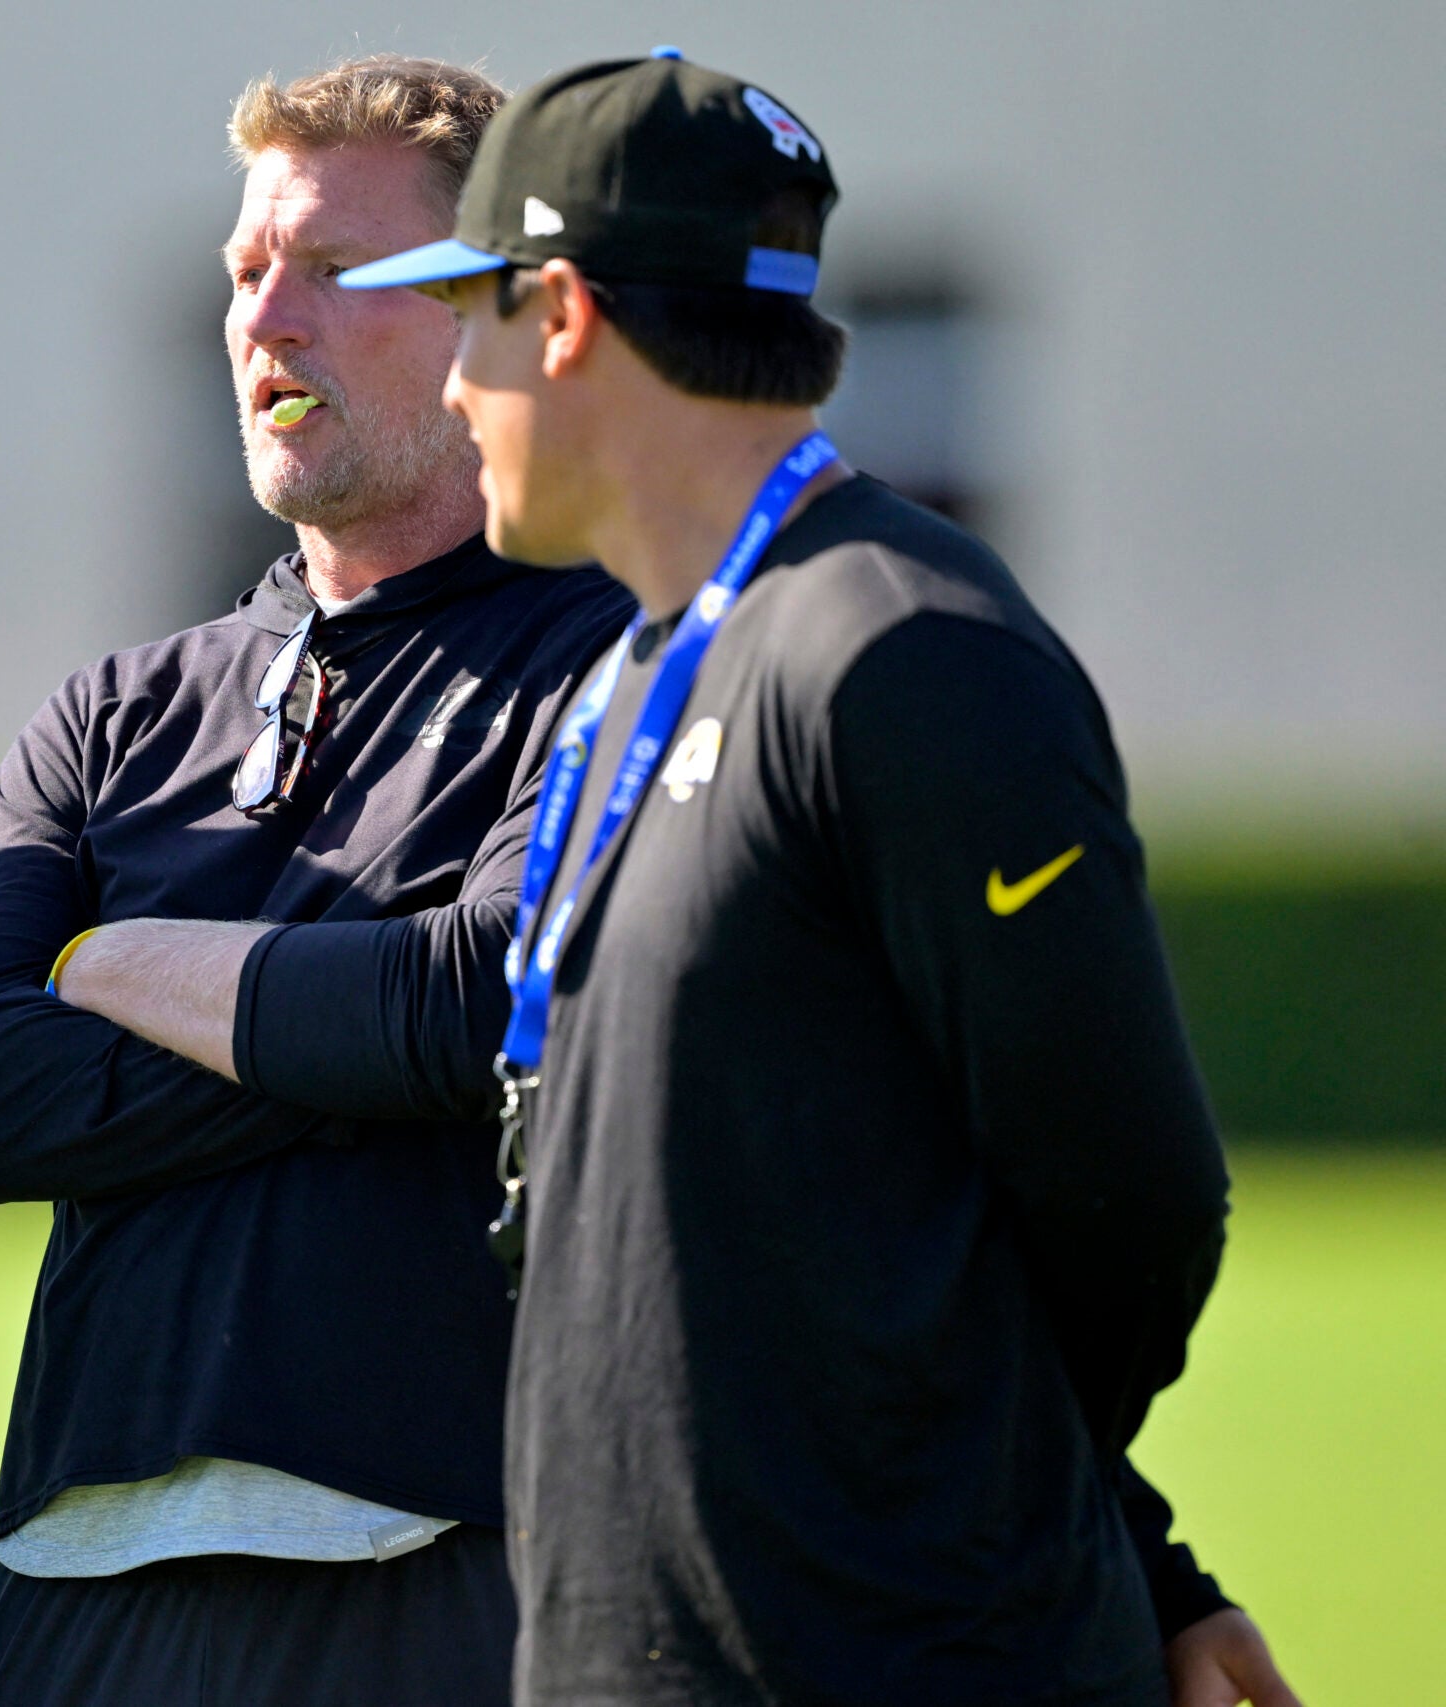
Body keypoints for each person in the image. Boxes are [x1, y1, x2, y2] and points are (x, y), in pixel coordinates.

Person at [341, 50, 1304, 1707]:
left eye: (471, 319)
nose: (453, 387)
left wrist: (1041, 1536)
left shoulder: (907, 651)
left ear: (559, 314)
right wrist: (1149, 1556)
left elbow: (1133, 1202)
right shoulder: (639, 673)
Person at [0, 57, 637, 1706]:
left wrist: (115, 964)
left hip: (441, 1582)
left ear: (502, 314)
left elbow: (480, 998)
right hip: (68, 1594)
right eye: (245, 274)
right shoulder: (110, 713)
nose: (264, 319)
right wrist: (347, 1026)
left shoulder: (618, 662)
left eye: (335, 269)